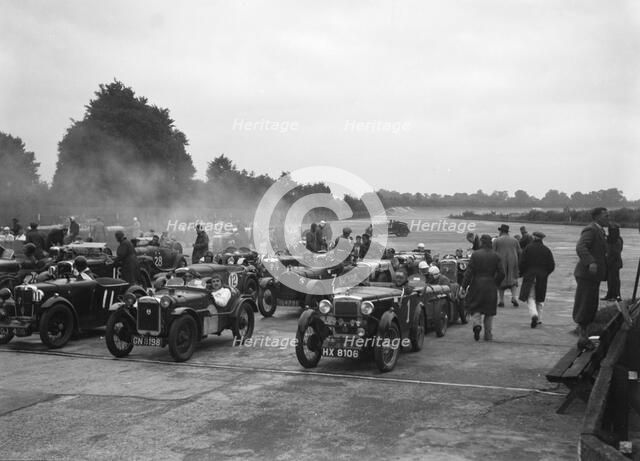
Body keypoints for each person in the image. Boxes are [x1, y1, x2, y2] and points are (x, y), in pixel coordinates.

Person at [573, 207, 609, 350]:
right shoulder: (591, 230)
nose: (608, 218)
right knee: (585, 305)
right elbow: (581, 247)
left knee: (590, 306)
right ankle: (583, 338)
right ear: (597, 217)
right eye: (606, 216)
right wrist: (591, 262)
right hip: (586, 275)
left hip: (593, 276)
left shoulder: (600, 230)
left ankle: (585, 337)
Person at [462, 234, 505, 341]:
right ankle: (488, 335)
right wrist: (496, 282)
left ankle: (477, 325)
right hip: (490, 285)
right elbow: (502, 273)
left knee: (476, 308)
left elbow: (469, 272)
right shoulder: (496, 256)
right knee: (489, 312)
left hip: (476, 284)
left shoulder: (475, 255)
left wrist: (464, 286)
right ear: (490, 242)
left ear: (481, 242)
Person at [518, 231, 555, 328]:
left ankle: (534, 315)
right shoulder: (546, 250)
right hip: (542, 277)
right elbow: (551, 265)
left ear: (534, 237)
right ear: (542, 239)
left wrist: (521, 273)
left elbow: (522, 263)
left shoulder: (528, 248)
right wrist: (545, 274)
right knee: (540, 298)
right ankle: (539, 319)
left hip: (529, 275)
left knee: (530, 297)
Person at [493, 224, 521, 307]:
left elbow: (493, 252)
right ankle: (514, 297)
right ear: (507, 232)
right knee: (513, 280)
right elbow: (519, 252)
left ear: (501, 231)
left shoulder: (497, 240)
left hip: (501, 261)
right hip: (513, 261)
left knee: (501, 280)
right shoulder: (515, 240)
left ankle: (501, 300)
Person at [604, 222, 623, 302]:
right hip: (609, 262)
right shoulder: (609, 239)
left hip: (615, 262)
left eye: (613, 230)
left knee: (615, 280)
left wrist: (610, 260)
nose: (611, 231)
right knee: (610, 280)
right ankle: (610, 295)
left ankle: (617, 296)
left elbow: (616, 252)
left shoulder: (618, 240)